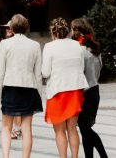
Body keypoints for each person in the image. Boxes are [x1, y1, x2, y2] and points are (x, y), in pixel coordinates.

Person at [0, 14, 41, 158]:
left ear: (12, 27)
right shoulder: (35, 45)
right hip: (29, 87)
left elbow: (0, 72)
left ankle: (6, 156)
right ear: (26, 28)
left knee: (6, 128)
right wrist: (40, 94)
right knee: (27, 129)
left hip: (10, 88)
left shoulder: (5, 44)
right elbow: (37, 74)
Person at [43, 17, 88, 158]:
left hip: (58, 91)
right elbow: (82, 68)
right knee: (73, 129)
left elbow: (45, 72)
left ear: (53, 32)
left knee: (59, 131)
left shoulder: (49, 47)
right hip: (75, 90)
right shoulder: (77, 46)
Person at [71, 18, 108, 158]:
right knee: (85, 128)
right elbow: (99, 70)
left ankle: (104, 156)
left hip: (84, 93)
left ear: (76, 31)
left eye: (72, 29)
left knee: (85, 129)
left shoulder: (79, 50)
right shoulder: (95, 48)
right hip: (94, 90)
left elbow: (79, 73)